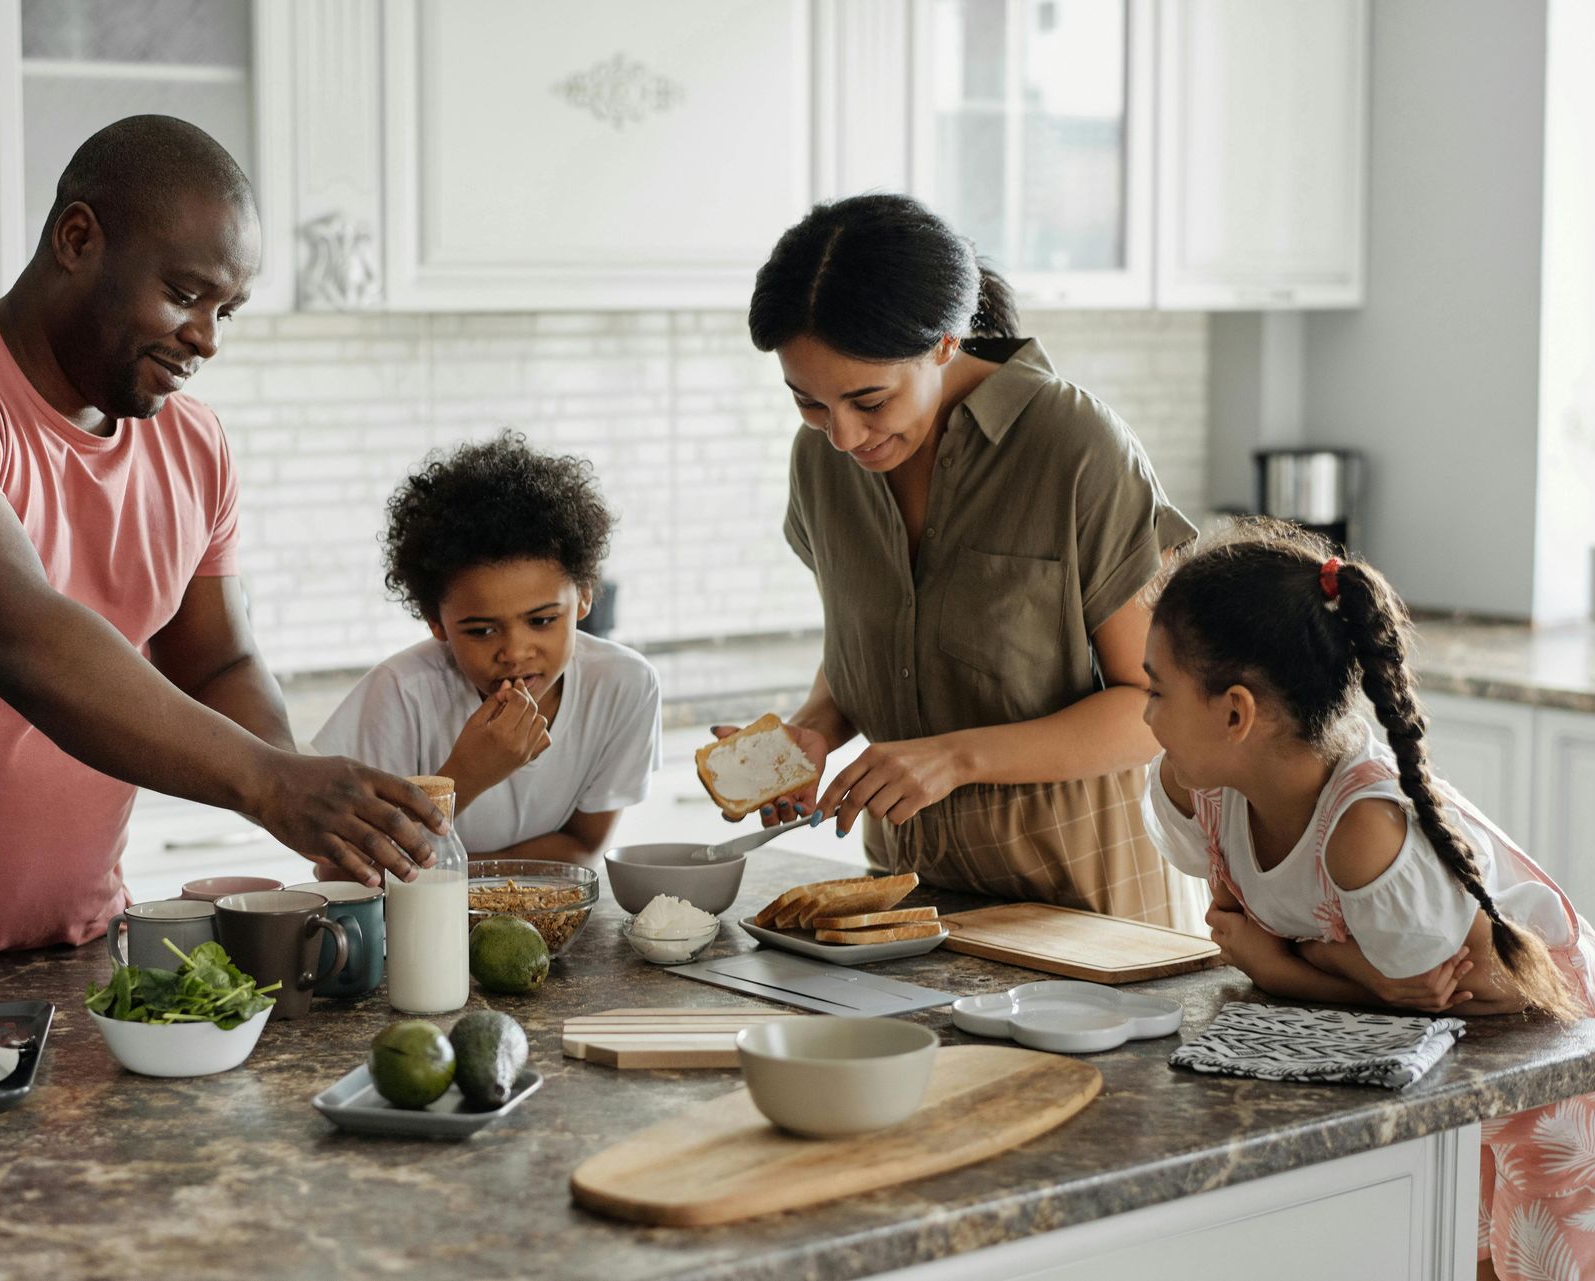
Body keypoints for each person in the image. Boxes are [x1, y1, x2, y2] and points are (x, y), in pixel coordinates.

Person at [0, 115, 442, 981]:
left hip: (75, 950)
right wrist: (268, 782)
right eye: (185, 294)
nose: (208, 338)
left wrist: (311, 803)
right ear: (77, 238)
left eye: (227, 310)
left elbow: (218, 660)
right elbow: (15, 633)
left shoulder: (193, 443)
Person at [724, 193, 1198, 926]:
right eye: (809, 404)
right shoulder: (819, 462)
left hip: (1090, 910)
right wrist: (814, 729)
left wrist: (955, 757)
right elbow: (875, 645)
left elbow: (1156, 709)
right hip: (908, 907)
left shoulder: (1073, 446)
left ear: (947, 342)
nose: (844, 436)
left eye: (869, 400)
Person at [1140, 519, 1595, 1280]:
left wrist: (1291, 969)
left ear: (1235, 713)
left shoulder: (1363, 830)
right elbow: (1392, 988)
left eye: (1157, 689)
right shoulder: (1201, 786)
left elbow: (1458, 993)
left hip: (1534, 1046)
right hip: (1428, 1051)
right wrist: (1350, 970)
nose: (1144, 712)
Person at [314, 433, 661, 863]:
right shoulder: (401, 694)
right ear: (436, 621)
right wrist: (466, 776)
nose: (515, 652)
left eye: (541, 621)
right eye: (480, 631)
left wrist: (454, 876)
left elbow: (581, 846)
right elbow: (339, 869)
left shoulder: (624, 684)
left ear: (585, 596)